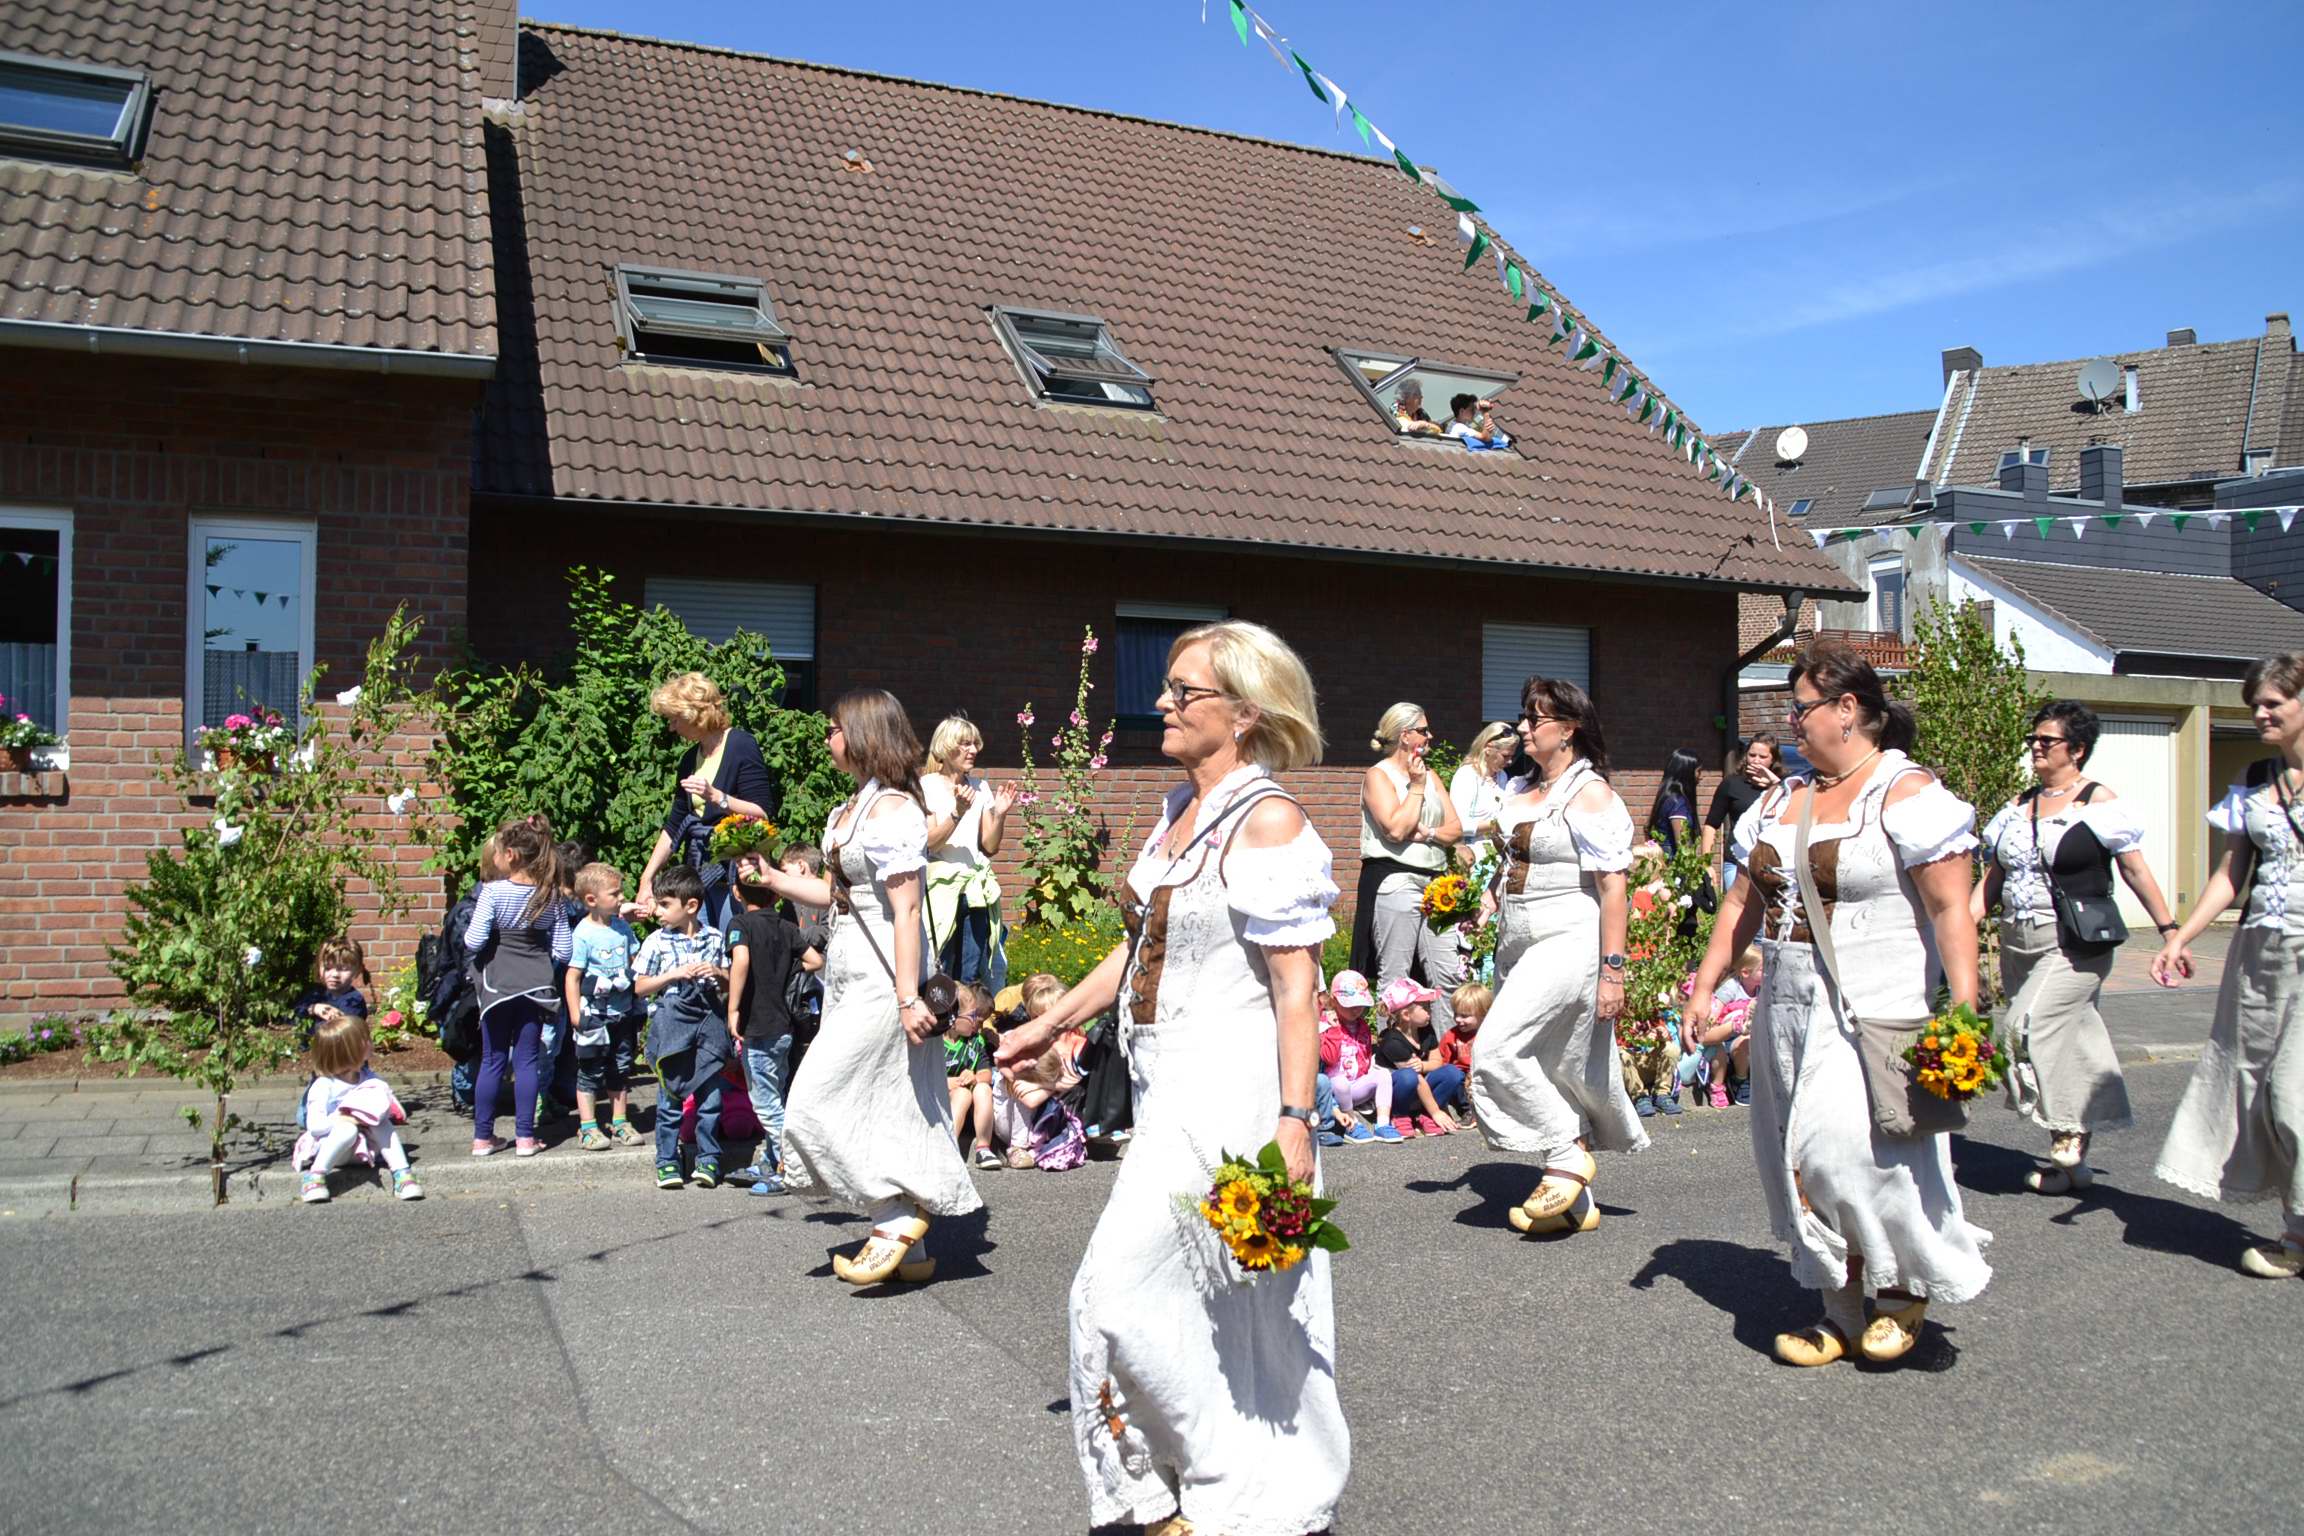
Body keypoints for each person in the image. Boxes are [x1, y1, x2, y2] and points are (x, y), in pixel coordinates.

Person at [995, 618, 1347, 1536]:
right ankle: (1207, 1476)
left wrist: (1296, 1120)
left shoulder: (1269, 819)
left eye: (1183, 691)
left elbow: (1297, 987)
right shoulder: (1176, 808)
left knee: (1113, 1293)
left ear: (1244, 711)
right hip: (1166, 1090)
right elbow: (1136, 945)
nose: (1161, 702)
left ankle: (1168, 1499)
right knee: (1199, 1299)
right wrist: (1050, 1021)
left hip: (1232, 1093)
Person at [1688, 636, 1987, 1367]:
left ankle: (1902, 1290)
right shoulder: (1781, 800)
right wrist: (1704, 984)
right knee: (1795, 1159)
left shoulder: (1906, 793)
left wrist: (1964, 1009)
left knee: (1848, 1153)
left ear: (1847, 708)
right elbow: (1741, 903)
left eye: (1801, 708)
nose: (1791, 721)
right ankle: (1840, 1309)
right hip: (1788, 1005)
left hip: (1872, 1005)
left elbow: (1951, 908)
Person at [748, 690, 981, 1284]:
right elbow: (837, 898)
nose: (827, 737)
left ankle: (895, 1216)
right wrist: (773, 879)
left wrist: (906, 997)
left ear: (862, 734)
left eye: (834, 728)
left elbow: (907, 911)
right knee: (885, 1100)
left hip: (884, 978)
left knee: (812, 1101)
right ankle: (914, 1254)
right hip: (850, 969)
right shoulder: (852, 808)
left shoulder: (893, 811)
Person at [1975, 700, 2179, 1194]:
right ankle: (2069, 1165)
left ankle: (2072, 1131)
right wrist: (1958, 925)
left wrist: (2171, 931)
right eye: (2033, 740)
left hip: (2073, 943)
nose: (2036, 747)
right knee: (2073, 1038)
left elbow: (2134, 869)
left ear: (2078, 749)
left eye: (2047, 741)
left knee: (2024, 1028)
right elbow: (1994, 879)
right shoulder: (2019, 805)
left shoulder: (2098, 802)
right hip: (2018, 940)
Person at [1475, 676, 1648, 1237]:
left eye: (1536, 719)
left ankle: (1567, 1154)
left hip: (1570, 938)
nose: (1524, 728)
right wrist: (1487, 900)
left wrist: (1613, 973)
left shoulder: (1590, 794)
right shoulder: (1521, 787)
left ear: (1569, 728)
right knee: (1552, 1062)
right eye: (1524, 716)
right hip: (1517, 940)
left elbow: (1614, 887)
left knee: (1496, 1050)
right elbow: (1513, 859)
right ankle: (1575, 1205)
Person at [2151, 652, 2304, 1278]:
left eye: (2273, 703)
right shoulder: (2256, 782)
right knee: (2257, 1092)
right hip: (2260, 956)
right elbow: (2230, 874)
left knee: (2292, 1096)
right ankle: (2296, 1234)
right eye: (2255, 705)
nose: (2261, 714)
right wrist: (2179, 937)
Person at [635, 671, 780, 932]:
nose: (672, 727)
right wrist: (647, 879)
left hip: (735, 877)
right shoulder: (689, 759)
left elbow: (761, 813)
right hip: (698, 876)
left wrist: (717, 797)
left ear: (693, 714)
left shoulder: (741, 745)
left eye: (675, 719)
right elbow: (674, 826)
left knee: (733, 946)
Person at [1353, 702, 1465, 1040]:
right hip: (1395, 879)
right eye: (1423, 730)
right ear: (1405, 735)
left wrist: (1427, 833)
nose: (1430, 736)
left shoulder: (1432, 776)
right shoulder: (1378, 776)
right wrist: (1415, 788)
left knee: (1447, 973)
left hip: (1436, 884)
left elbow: (1455, 829)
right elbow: (1396, 829)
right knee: (1396, 977)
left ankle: (1447, 1053)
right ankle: (1392, 1053)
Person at [463, 815, 570, 1158]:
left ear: (510, 855)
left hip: (497, 984)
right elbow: (564, 949)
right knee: (527, 1062)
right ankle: (525, 1137)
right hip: (535, 984)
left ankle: (483, 1138)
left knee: (493, 1060)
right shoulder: (551, 895)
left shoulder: (492, 892)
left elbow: (473, 940)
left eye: (497, 851)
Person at [635, 863, 731, 1189]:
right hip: (672, 1022)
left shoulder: (715, 938)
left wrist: (717, 973)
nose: (657, 911)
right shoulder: (656, 941)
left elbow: (729, 984)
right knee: (670, 1097)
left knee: (710, 1097)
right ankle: (667, 1161)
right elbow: (640, 987)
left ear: (691, 906)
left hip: (708, 1020)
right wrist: (672, 975)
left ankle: (708, 1158)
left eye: (665, 904)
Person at [726, 863, 817, 1196]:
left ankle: (789, 1169)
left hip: (758, 1026)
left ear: (736, 892)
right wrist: (787, 970)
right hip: (784, 1027)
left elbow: (741, 961)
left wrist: (733, 1008)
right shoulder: (786, 926)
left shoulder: (740, 925)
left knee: (766, 1106)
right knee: (777, 1097)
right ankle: (770, 1160)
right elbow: (815, 961)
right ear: (776, 894)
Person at [921, 714, 1019, 989]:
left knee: (970, 975)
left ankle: (968, 1018)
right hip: (940, 892)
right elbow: (930, 843)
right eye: (965, 744)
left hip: (975, 891)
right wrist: (958, 812)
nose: (973, 750)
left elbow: (990, 846)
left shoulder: (980, 787)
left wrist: (1000, 814)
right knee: (940, 971)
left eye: (975, 744)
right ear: (946, 746)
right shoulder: (925, 786)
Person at [292, 1007, 421, 1203]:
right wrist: (345, 1118)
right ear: (348, 1050)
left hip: (367, 1147)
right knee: (347, 1130)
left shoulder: (369, 1078)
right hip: (335, 1149)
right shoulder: (324, 1085)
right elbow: (315, 1127)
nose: (371, 1042)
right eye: (365, 1039)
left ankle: (402, 1174)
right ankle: (315, 1177)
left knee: (382, 1123)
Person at [564, 862, 645, 1151]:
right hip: (594, 1017)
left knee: (620, 1068)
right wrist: (576, 1015)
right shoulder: (583, 934)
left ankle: (620, 1121)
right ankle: (587, 1127)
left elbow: (635, 962)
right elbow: (572, 977)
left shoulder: (622, 927)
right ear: (591, 900)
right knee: (590, 1070)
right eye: (615, 893)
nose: (622, 897)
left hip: (622, 1012)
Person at [1320, 969, 1402, 1145]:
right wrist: (1334, 1029)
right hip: (1334, 1091)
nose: (1356, 1009)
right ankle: (1352, 1123)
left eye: (1360, 1004)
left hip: (1356, 1085)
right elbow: (1329, 1059)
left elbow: (1365, 1054)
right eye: (1350, 1005)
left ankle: (1383, 1124)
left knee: (1383, 1074)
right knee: (1340, 1082)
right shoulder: (1326, 1025)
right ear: (1333, 1001)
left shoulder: (1362, 1025)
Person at [1378, 976, 1465, 1136]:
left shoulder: (1426, 1030)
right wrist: (1436, 1111)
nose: (1429, 1012)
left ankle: (1425, 1115)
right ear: (1406, 1015)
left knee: (1453, 1072)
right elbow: (1416, 1079)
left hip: (1422, 1091)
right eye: (1424, 1008)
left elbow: (1437, 1061)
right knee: (1408, 1076)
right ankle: (1400, 1115)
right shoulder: (1391, 1041)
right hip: (1400, 1092)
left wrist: (1424, 1065)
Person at [1703, 735, 1781, 890]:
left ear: (1773, 759)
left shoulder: (1784, 785)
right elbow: (1711, 825)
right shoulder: (1732, 783)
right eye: (1752, 755)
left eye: (1763, 757)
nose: (1756, 760)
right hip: (1737, 861)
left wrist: (1774, 784)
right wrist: (1706, 863)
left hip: (1772, 863)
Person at [1451, 721, 1519, 867]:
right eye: (1505, 756)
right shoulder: (1467, 775)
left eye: (1512, 756)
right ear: (1488, 749)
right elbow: (1457, 825)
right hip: (1474, 857)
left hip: (1500, 855)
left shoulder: (1502, 776)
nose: (1510, 762)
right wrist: (1495, 825)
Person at [948, 985, 998, 1168]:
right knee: (962, 1094)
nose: (977, 1021)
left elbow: (987, 1074)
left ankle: (983, 1147)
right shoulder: (934, 1044)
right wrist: (947, 1082)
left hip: (972, 1112)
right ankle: (948, 1147)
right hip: (942, 1105)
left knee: (983, 1088)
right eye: (972, 1016)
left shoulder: (975, 1042)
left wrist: (975, 1077)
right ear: (953, 1018)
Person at [292, 937, 370, 1039]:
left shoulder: (354, 1000)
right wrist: (314, 1008)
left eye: (343, 969)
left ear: (357, 971)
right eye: (328, 968)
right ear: (319, 967)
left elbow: (343, 1032)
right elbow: (294, 1015)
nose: (335, 974)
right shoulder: (316, 992)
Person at [1438, 982, 1487, 1128]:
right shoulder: (1451, 1036)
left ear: (1483, 1015)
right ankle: (1467, 1112)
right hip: (1461, 1075)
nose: (1458, 1019)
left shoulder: (1488, 1033)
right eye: (1456, 1014)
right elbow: (1443, 1062)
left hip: (1480, 1072)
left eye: (1464, 1016)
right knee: (1455, 1081)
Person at [1620, 1013, 1682, 1119]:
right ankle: (1639, 1097)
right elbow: (1615, 1043)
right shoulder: (1619, 1016)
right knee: (1622, 1054)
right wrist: (1639, 1039)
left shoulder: (1652, 1012)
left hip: (1649, 1062)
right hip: (1630, 1067)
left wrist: (1663, 1036)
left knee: (1671, 1048)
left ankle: (1661, 1094)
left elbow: (1667, 1038)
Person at [1645, 749, 1702, 857]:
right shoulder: (1678, 803)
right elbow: (1683, 848)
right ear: (1687, 773)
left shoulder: (1666, 798)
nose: (1700, 777)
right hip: (1672, 864)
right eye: (1698, 771)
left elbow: (1647, 828)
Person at [1444, 392, 1511, 451]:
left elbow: (1485, 432)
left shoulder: (1454, 423)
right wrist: (1485, 412)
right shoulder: (1458, 427)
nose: (1474, 411)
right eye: (1471, 409)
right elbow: (1485, 438)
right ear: (1462, 411)